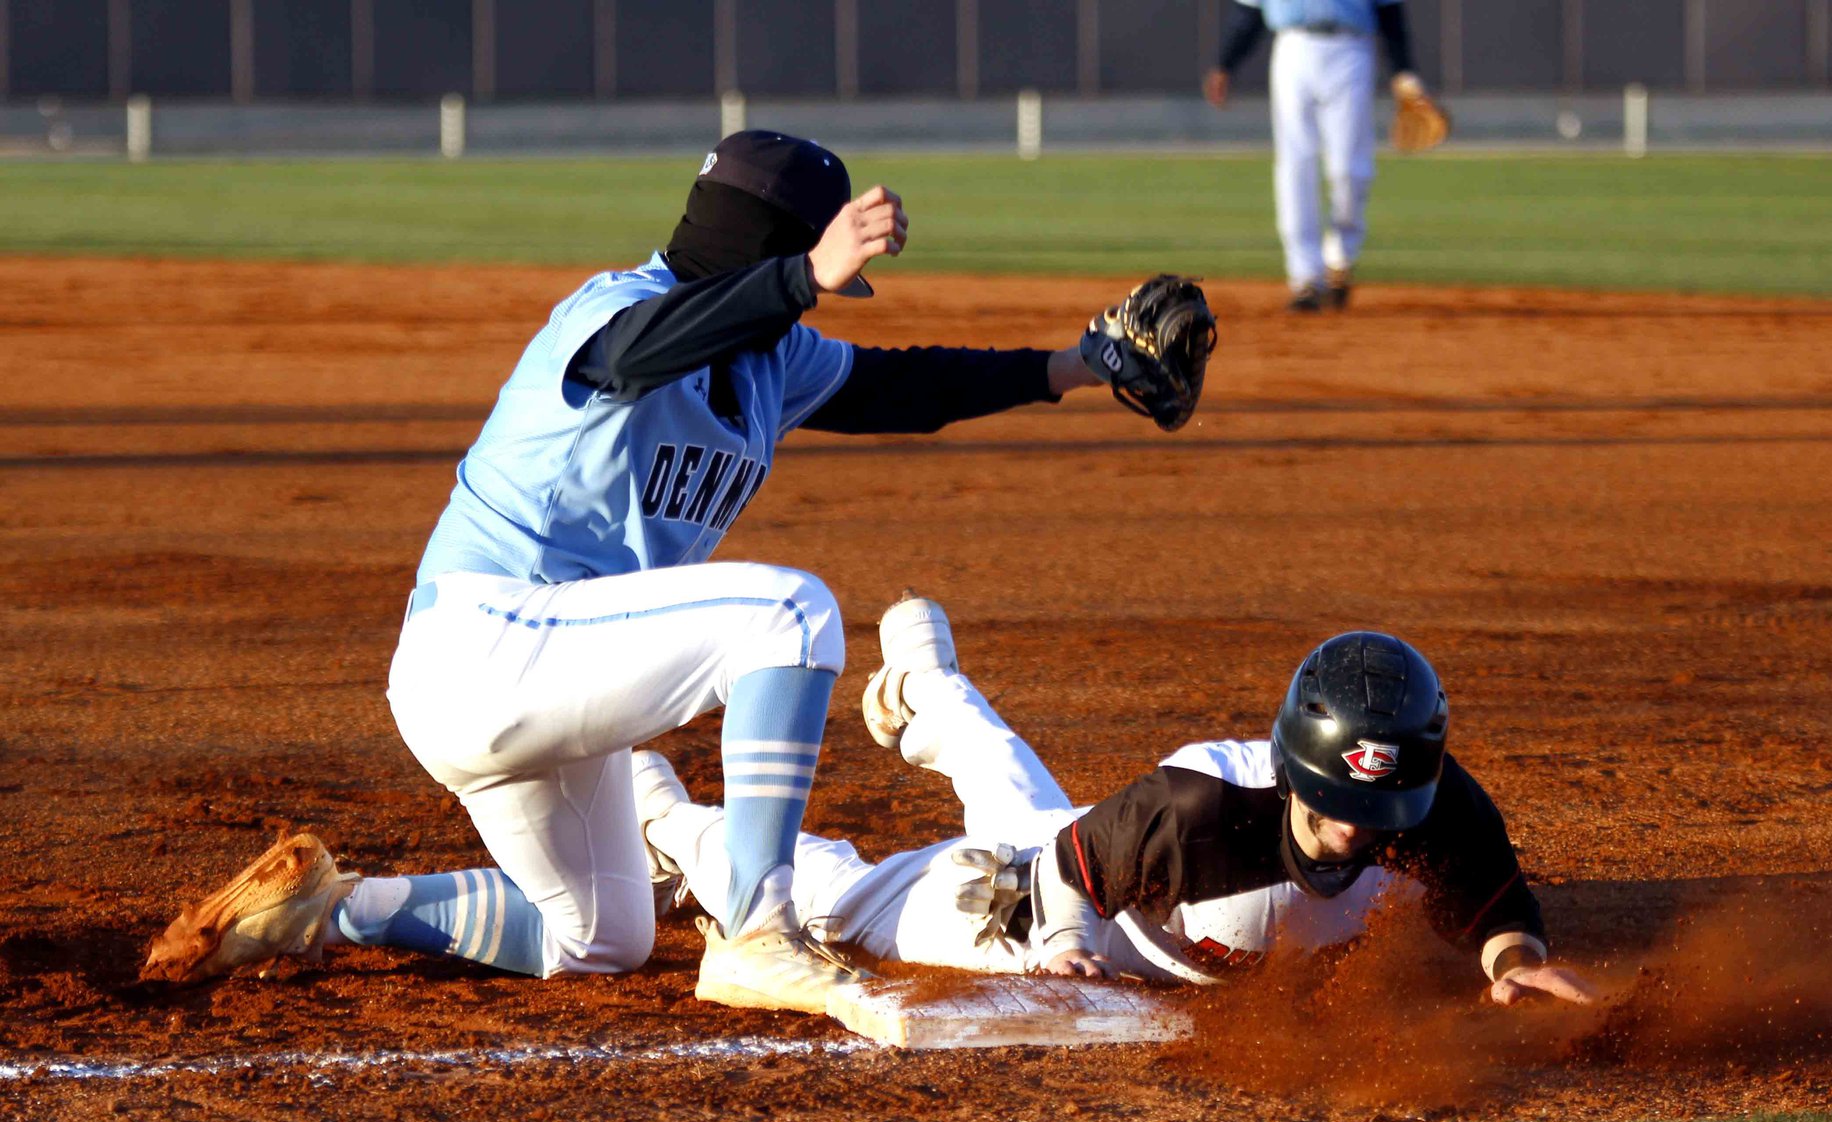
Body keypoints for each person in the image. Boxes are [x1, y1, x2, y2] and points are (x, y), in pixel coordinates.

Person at [140, 131, 1151, 1016]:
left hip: (549, 677)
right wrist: (805, 274)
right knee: (790, 615)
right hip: (482, 647)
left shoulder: (770, 357)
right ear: (769, 257)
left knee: (597, 937)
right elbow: (639, 356)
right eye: (800, 271)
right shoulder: (611, 310)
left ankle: (328, 909)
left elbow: (904, 384)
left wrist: (1072, 366)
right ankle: (760, 929)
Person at [630, 594, 1595, 1008]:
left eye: (1379, 811)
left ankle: (924, 685)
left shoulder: (1426, 799)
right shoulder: (1200, 807)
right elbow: (1064, 874)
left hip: (1103, 857)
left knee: (1030, 806)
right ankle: (662, 816)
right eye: (1336, 800)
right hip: (1026, 909)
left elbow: (1495, 901)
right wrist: (1065, 955)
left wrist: (1515, 962)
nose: (1357, 828)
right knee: (837, 901)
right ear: (1294, 764)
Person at [1202, 0, 1433, 312]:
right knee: (1295, 166)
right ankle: (1305, 278)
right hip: (1293, 46)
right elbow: (1250, 10)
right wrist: (1225, 63)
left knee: (1350, 168)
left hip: (1350, 48)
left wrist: (1403, 70)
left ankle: (1340, 259)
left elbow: (1389, 10)